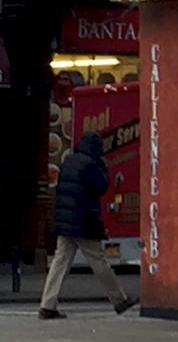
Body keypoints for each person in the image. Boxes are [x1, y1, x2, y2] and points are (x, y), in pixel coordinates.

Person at [39, 131, 136, 318]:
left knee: (59, 262)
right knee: (98, 261)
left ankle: (47, 305)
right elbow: (101, 186)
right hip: (83, 221)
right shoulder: (91, 164)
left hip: (65, 222)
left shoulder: (68, 161)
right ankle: (119, 299)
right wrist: (103, 167)